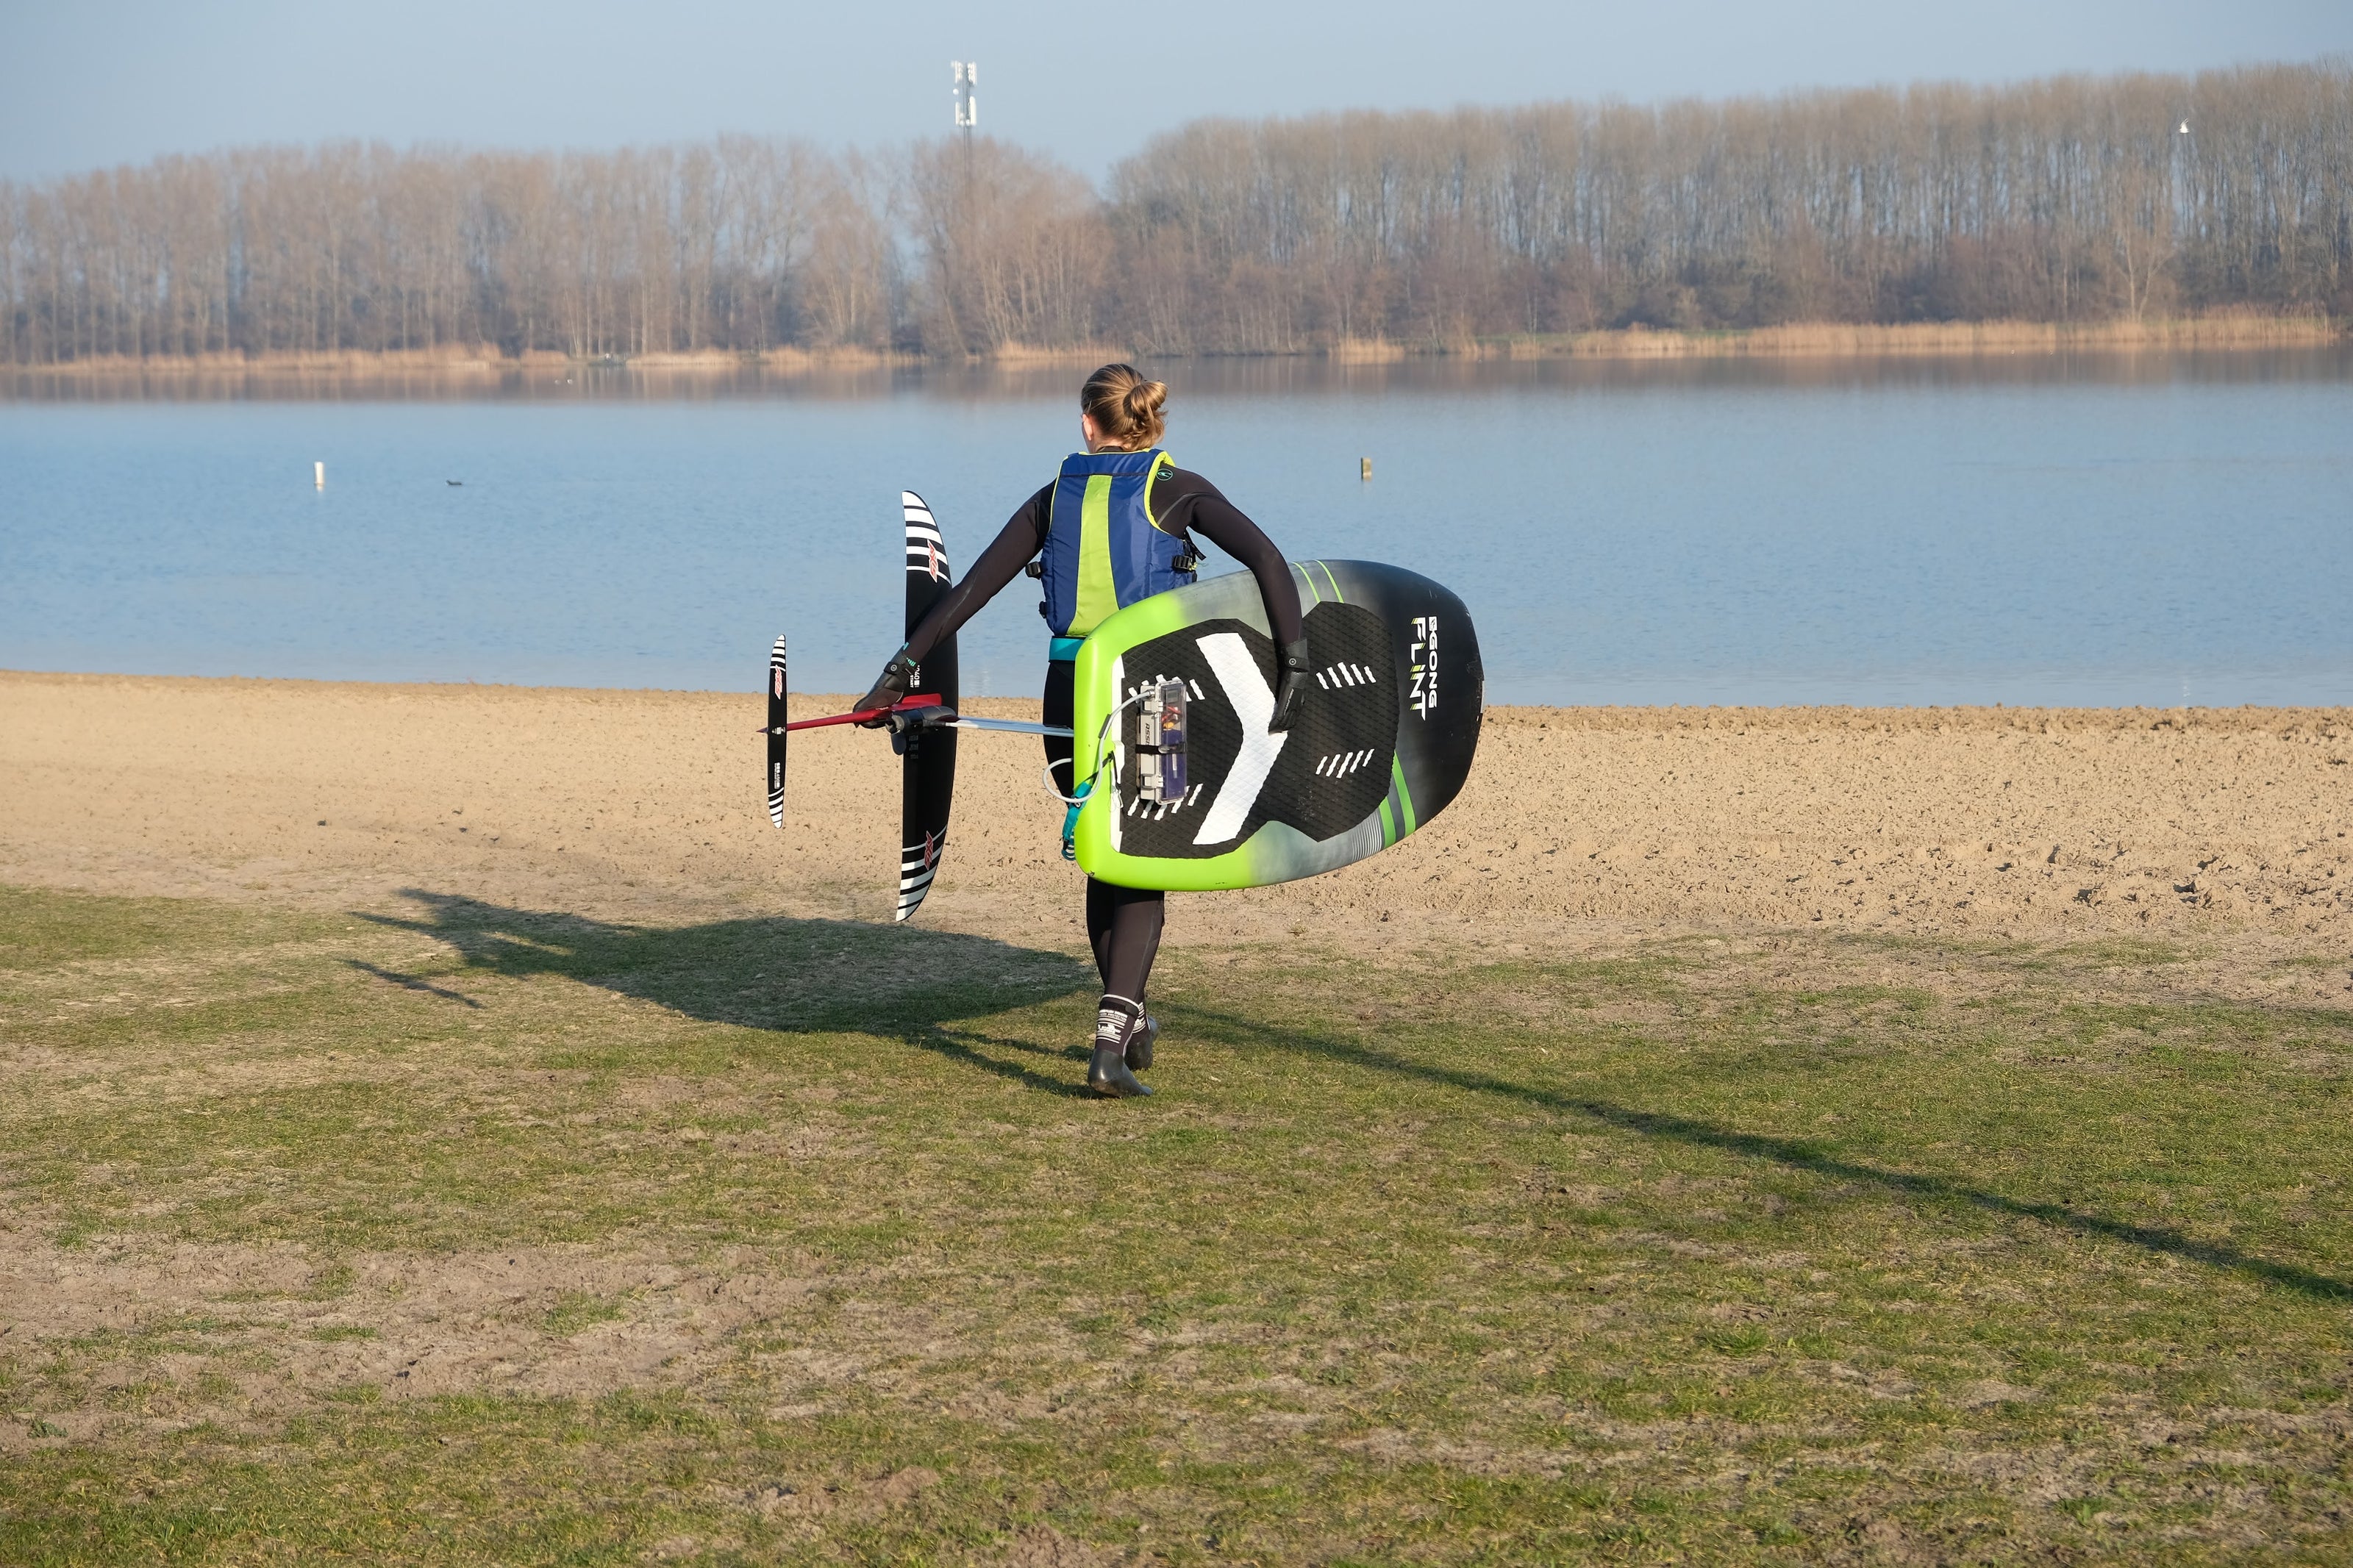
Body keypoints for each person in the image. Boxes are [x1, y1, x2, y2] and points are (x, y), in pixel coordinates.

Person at [854, 364, 1308, 1098]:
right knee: (1144, 861)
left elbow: (967, 590)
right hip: (1151, 694)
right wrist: (1292, 659)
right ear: (1144, 421)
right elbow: (1264, 560)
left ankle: (1127, 1022)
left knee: (1105, 853)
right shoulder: (1176, 487)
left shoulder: (1054, 496)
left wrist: (901, 667)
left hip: (1067, 692)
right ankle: (1109, 1038)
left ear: (1087, 424)